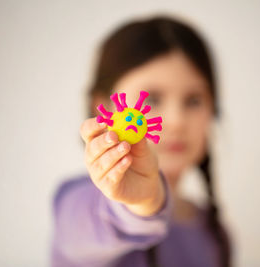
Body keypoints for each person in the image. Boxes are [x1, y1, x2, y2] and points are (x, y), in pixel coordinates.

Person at [51, 15, 231, 267]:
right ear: (104, 107)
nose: (176, 120)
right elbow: (80, 232)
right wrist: (139, 203)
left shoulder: (215, 233)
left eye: (193, 100)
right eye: (152, 99)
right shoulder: (78, 206)